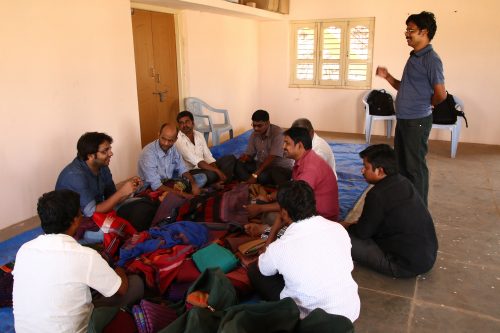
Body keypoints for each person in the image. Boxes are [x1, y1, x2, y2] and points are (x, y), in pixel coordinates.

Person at [13, 190, 144, 332]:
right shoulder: (85, 255)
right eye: (80, 213)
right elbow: (122, 289)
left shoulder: (24, 250)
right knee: (136, 285)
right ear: (75, 220)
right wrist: (117, 267)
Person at [247, 180, 360, 322]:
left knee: (254, 270)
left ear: (284, 212)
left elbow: (263, 269)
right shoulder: (338, 229)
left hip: (312, 321)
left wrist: (273, 230)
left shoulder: (280, 247)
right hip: (349, 312)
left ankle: (286, 317)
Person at [376, 11, 446, 206]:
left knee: (415, 167)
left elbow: (441, 93)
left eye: (411, 30)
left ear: (424, 32)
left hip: (417, 121)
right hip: (405, 119)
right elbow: (405, 87)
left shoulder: (431, 59)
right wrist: (388, 77)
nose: (407, 33)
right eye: (406, 29)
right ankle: (407, 203)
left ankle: (419, 209)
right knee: (402, 164)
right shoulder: (414, 57)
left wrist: (429, 103)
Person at [347, 144, 438, 278]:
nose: (362, 171)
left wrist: (347, 226)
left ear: (380, 171)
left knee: (342, 237)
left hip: (404, 266)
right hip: (427, 257)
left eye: (366, 167)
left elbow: (362, 233)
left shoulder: (377, 195)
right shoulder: (403, 182)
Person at [244, 127, 339, 222]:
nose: (283, 147)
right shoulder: (305, 159)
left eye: (287, 143)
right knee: (262, 204)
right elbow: (291, 190)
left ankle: (266, 230)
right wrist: (268, 197)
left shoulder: (309, 169)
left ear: (299, 146)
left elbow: (295, 202)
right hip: (304, 207)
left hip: (321, 218)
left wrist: (260, 208)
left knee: (270, 216)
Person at [56, 132, 142, 218]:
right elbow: (92, 213)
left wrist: (130, 189)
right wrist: (121, 192)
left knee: (141, 206)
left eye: (110, 149)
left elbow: (111, 197)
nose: (111, 153)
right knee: (121, 227)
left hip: (97, 209)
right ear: (90, 156)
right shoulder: (75, 176)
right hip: (76, 221)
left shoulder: (102, 166)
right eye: (105, 151)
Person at [138, 123, 204, 198]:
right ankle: (180, 195)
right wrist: (185, 195)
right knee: (161, 198)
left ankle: (181, 193)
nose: (166, 143)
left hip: (169, 181)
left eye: (170, 140)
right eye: (163, 139)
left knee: (201, 177)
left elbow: (182, 169)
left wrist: (193, 183)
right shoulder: (148, 153)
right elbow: (156, 185)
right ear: (159, 134)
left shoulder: (173, 148)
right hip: (152, 188)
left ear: (175, 139)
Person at [175, 111, 236, 186]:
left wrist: (216, 169)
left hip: (204, 167)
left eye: (187, 122)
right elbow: (196, 161)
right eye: (181, 123)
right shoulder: (178, 140)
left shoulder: (199, 135)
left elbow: (208, 156)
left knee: (230, 158)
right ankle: (221, 181)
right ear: (179, 125)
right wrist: (217, 171)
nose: (184, 125)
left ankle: (221, 182)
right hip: (191, 171)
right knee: (211, 175)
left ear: (192, 123)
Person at [234, 110, 293, 186]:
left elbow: (271, 157)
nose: (256, 128)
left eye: (259, 126)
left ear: (268, 123)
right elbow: (250, 155)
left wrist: (255, 174)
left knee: (262, 177)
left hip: (278, 168)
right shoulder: (254, 134)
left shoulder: (278, 134)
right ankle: (251, 183)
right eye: (254, 125)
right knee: (238, 164)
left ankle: (251, 182)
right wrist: (246, 157)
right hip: (261, 165)